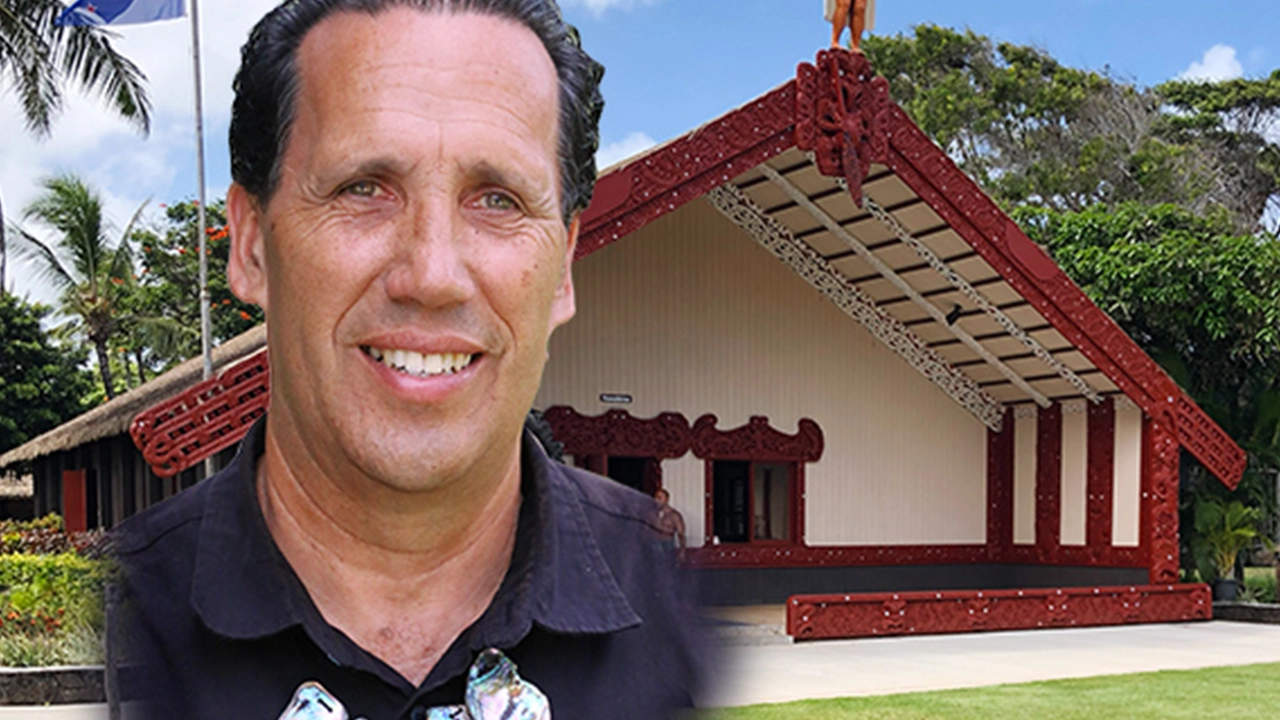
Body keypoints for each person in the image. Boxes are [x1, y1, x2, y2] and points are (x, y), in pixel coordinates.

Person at [111, 1, 708, 717]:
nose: (431, 275)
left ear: (565, 265)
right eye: (363, 188)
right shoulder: (126, 613)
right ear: (250, 244)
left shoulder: (681, 617)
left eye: (497, 199)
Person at [652, 488, 687, 557]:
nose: (657, 500)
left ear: (666, 499)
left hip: (667, 544)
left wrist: (682, 551)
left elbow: (681, 534)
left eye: (660, 498)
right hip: (654, 545)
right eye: (656, 497)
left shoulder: (674, 515)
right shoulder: (652, 514)